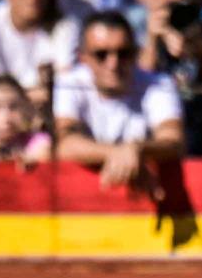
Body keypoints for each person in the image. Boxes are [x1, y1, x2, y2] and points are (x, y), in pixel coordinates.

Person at [54, 10, 185, 187]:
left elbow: (173, 141)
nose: (113, 63)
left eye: (123, 53)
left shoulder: (159, 84)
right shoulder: (70, 83)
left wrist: (136, 149)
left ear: (136, 53)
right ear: (83, 57)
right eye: (101, 54)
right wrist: (122, 153)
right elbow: (65, 144)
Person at [0, 74, 53, 160]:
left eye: (13, 107)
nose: (6, 117)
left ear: (25, 108)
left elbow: (43, 154)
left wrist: (28, 159)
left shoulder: (37, 141)